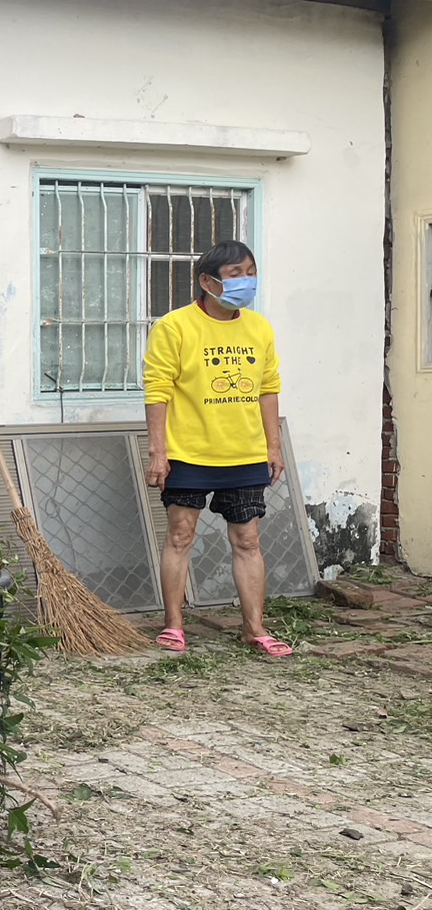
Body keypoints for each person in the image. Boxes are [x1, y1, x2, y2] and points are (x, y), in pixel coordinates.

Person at [143, 240, 291, 658]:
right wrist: (159, 451)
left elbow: (268, 389)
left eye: (250, 272)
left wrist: (273, 446)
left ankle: (254, 628)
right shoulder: (175, 326)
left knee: (247, 539)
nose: (246, 281)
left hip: (244, 453)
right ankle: (174, 624)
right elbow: (157, 390)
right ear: (207, 281)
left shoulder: (259, 328)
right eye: (235, 274)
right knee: (180, 534)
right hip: (188, 452)